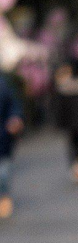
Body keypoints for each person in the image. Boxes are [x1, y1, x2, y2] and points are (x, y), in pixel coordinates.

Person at [0, 72, 24, 218]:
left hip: (3, 138)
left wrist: (15, 118)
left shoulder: (4, 83)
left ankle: (3, 197)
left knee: (3, 171)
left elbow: (14, 104)